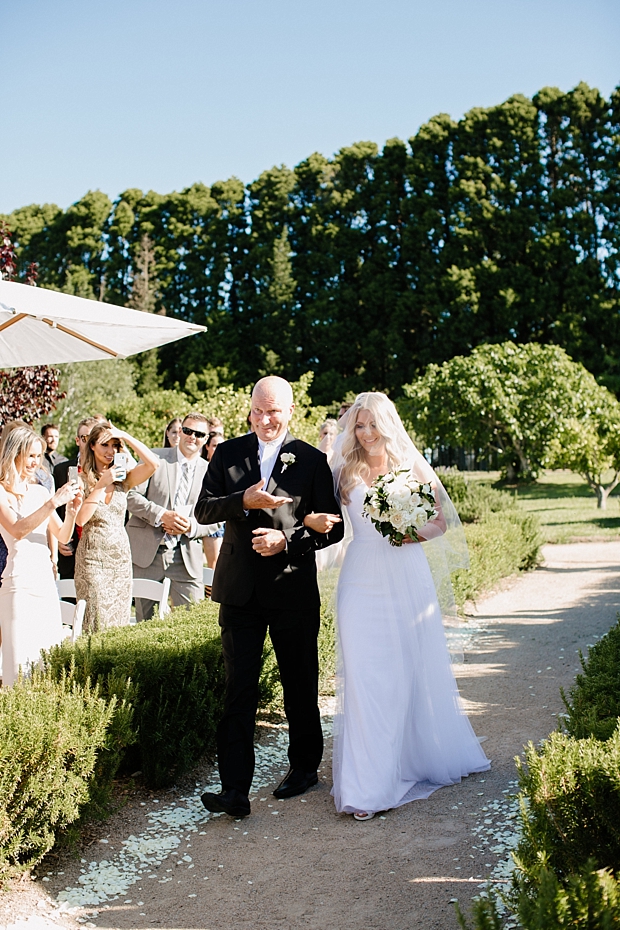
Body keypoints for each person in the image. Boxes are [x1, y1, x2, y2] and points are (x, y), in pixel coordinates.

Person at [306, 392, 490, 821]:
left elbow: (441, 522)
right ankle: (367, 785)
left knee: (405, 672)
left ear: (388, 424)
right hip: (360, 578)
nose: (366, 433)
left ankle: (407, 761)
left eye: (372, 424)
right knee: (365, 675)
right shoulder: (342, 469)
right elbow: (322, 516)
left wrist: (408, 534)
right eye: (359, 425)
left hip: (405, 575)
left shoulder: (412, 466)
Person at [195, 376, 345, 819]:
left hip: (292, 589)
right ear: (249, 410)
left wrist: (288, 541)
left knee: (300, 683)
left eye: (273, 410)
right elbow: (203, 510)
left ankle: (304, 768)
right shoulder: (226, 453)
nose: (265, 418)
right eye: (258, 410)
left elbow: (331, 525)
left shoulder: (313, 460)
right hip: (239, 591)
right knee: (237, 689)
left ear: (290, 410)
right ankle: (234, 790)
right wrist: (242, 499)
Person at [0, 426, 82, 687]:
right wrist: (52, 503)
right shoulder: (1, 492)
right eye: (31, 456)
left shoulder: (40, 491)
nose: (37, 462)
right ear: (15, 454)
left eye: (39, 456)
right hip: (18, 584)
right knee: (17, 663)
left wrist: (70, 511)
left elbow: (62, 535)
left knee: (45, 662)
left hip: (44, 583)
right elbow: (18, 529)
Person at [126, 413, 213, 620]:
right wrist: (161, 515)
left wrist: (191, 526)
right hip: (148, 554)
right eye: (188, 431)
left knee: (191, 624)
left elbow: (216, 517)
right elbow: (130, 495)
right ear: (180, 432)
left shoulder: (211, 471)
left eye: (199, 434)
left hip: (186, 557)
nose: (192, 437)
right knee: (144, 624)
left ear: (206, 439)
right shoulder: (154, 458)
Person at [74, 422, 159, 631]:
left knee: (118, 623)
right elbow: (80, 520)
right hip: (93, 561)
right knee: (95, 622)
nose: (110, 451)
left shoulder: (123, 480)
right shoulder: (81, 479)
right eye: (105, 445)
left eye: (115, 445)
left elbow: (153, 464)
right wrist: (101, 484)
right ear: (92, 445)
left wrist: (125, 436)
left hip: (120, 561)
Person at [53, 416, 99, 582]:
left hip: (98, 552)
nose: (89, 442)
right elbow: (54, 510)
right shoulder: (61, 470)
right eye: (85, 438)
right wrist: (58, 539)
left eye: (94, 438)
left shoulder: (107, 473)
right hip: (69, 551)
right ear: (77, 440)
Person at [201, 431, 226, 573]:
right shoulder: (203, 467)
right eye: (215, 445)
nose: (218, 449)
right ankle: (210, 595)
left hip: (225, 519)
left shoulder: (226, 468)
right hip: (209, 518)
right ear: (207, 447)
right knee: (214, 564)